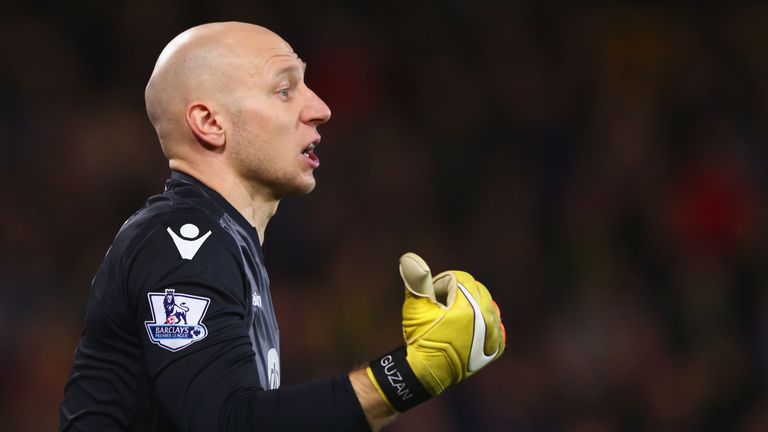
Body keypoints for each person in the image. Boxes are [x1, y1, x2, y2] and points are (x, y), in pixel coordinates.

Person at [59, 21, 506, 431]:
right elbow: (231, 424)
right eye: (284, 90)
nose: (321, 108)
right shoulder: (182, 242)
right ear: (211, 123)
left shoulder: (224, 242)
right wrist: (409, 374)